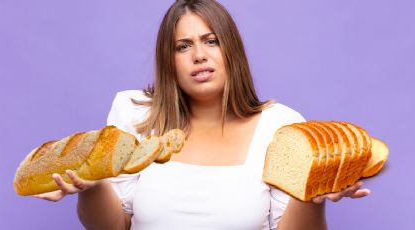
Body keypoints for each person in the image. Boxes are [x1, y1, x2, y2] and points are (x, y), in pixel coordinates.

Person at [34, 0, 370, 229]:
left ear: (231, 51)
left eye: (211, 41)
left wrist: (312, 196)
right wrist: (92, 186)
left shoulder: (281, 125)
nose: (198, 55)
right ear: (170, 60)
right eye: (183, 46)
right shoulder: (135, 113)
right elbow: (112, 226)